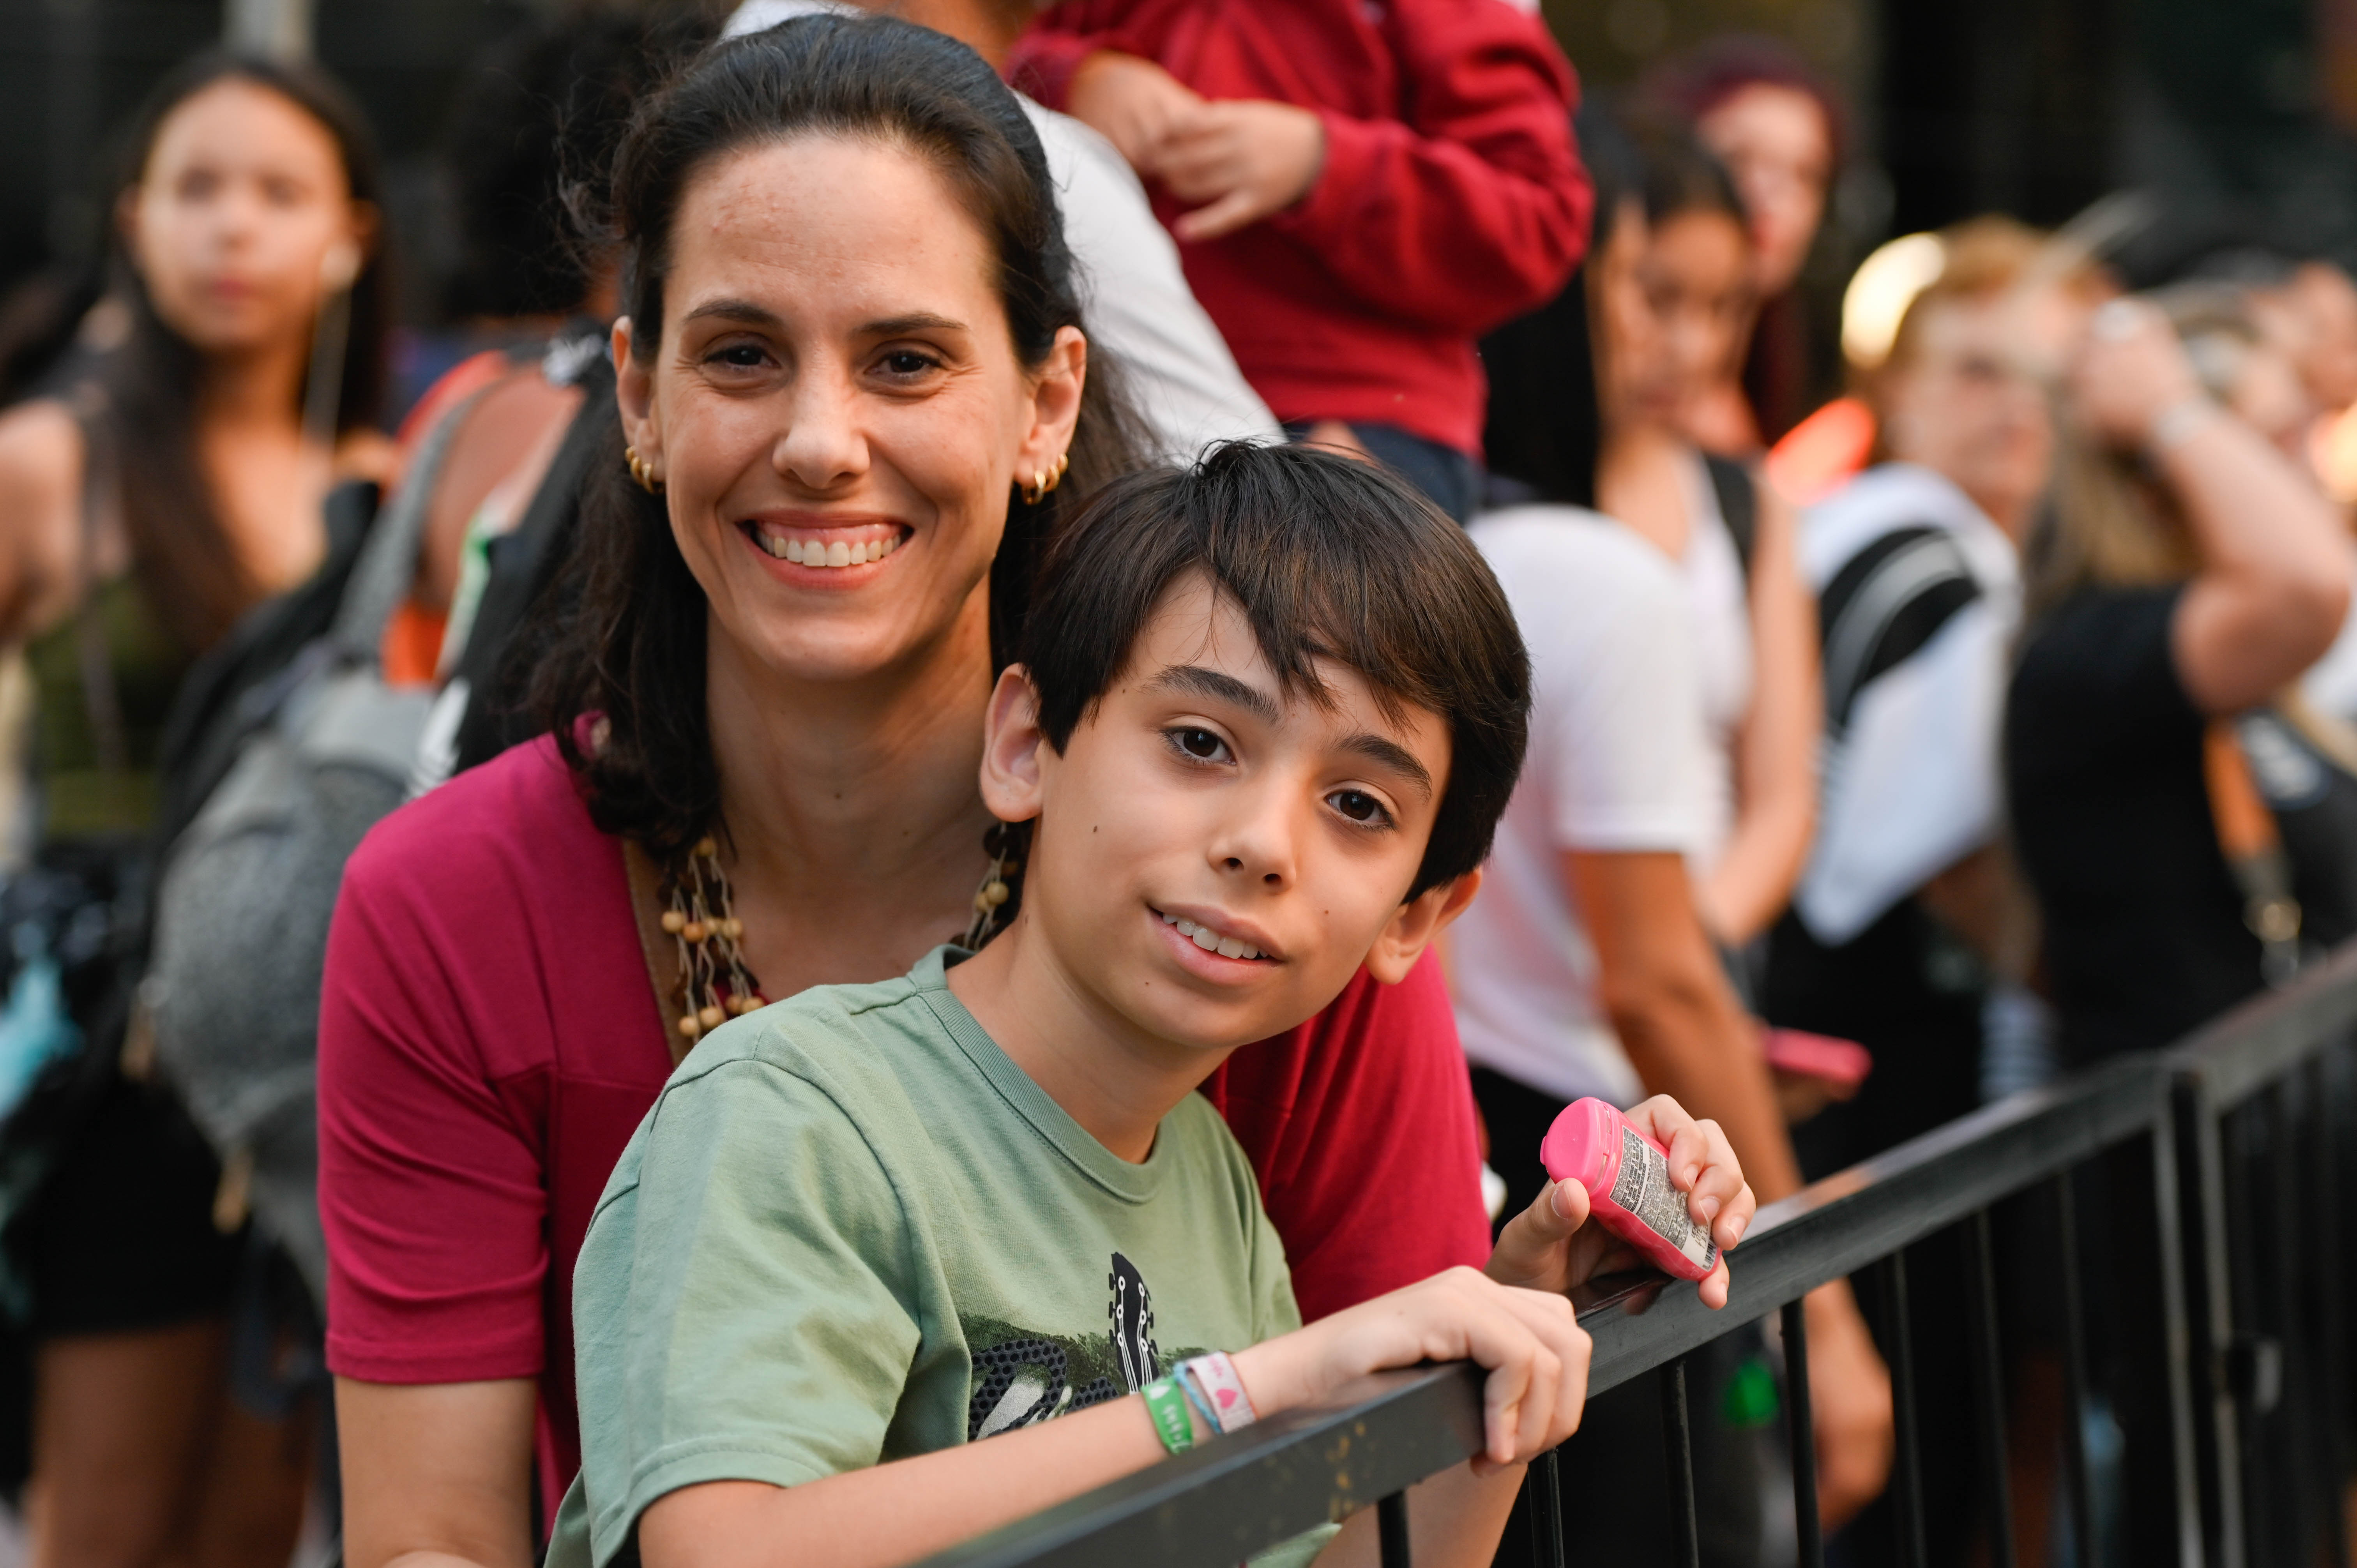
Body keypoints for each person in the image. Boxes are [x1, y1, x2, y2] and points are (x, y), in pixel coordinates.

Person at [322, 19, 1506, 1566]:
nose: (822, 443)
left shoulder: (1250, 889)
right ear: (639, 396)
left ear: (1047, 404)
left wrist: (1545, 1294)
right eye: (742, 355)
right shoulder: (452, 905)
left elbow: (1387, 1497)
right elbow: (434, 1543)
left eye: (906, 360)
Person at [553, 438, 1756, 1568]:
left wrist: (1517, 1336)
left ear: (1415, 920)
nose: (1261, 843)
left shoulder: (1213, 1191)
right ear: (1027, 743)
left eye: (1358, 808)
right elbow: (723, 1549)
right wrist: (1249, 1391)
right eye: (1199, 740)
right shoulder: (797, 1114)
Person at [1467, 125, 1891, 1551]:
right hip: (1583, 1120)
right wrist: (1818, 1306)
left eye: (1723, 304)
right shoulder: (1593, 576)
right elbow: (1650, 975)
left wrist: (1689, 933)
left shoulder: (1657, 516)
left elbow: (1757, 817)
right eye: (1646, 289)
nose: (1687, 340)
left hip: (1565, 1097)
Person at [0, 49, 394, 1568]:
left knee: (257, 1526)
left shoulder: (376, 479)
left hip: (322, 1055)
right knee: (105, 1524)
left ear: (351, 234)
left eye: (278, 193)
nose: (234, 228)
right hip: (116, 1067)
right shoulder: (53, 464)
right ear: (134, 219)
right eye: (197, 189)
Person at [1765, 216, 2097, 1164]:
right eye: (1979, 369)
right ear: (1895, 389)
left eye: (2047, 379)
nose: (2020, 408)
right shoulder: (1923, 552)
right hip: (1855, 1059)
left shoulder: (1850, 527)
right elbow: (1946, 873)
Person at [1005, 0, 1591, 521]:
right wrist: (1081, 78)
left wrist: (1322, 165)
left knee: (1297, 602)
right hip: (1115, 389)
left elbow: (1541, 214)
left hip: (1360, 412)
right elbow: (993, 86)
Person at [2008, 296, 2351, 1064]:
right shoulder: (2093, 653)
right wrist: (2167, 407)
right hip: (2195, 1164)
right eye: (2272, 442)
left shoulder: (2245, 672)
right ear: (2160, 478)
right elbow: (2311, 586)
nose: (2308, 470)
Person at [1638, 37, 1843, 452]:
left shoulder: (1784, 371)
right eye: (1741, 158)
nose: (1774, 195)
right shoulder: (1622, 376)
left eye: (1806, 174)